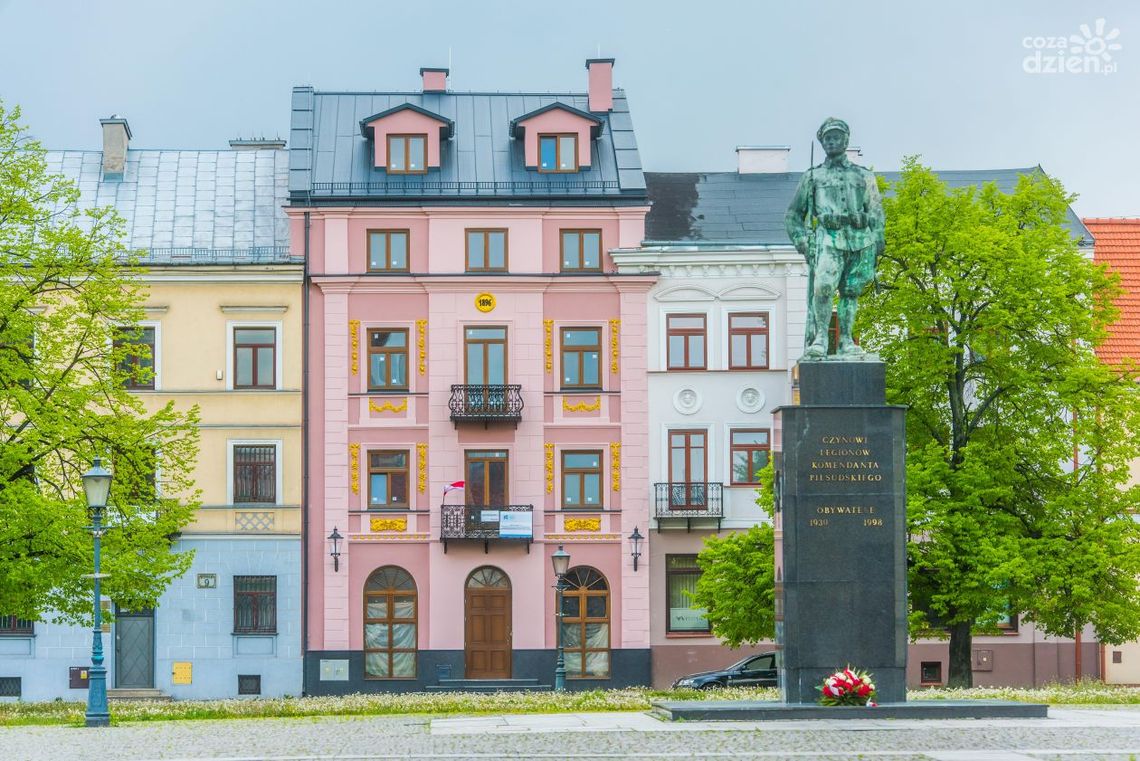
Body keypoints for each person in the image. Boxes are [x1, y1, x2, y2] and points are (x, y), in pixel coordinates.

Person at [784, 118, 885, 360]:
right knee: (823, 288)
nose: (831, 141)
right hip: (827, 241)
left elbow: (877, 213)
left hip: (860, 241)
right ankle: (820, 337)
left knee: (851, 291)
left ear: (846, 139)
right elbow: (793, 215)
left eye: (836, 136)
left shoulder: (864, 177)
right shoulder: (813, 177)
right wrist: (803, 242)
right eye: (827, 138)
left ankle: (846, 340)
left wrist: (876, 238)